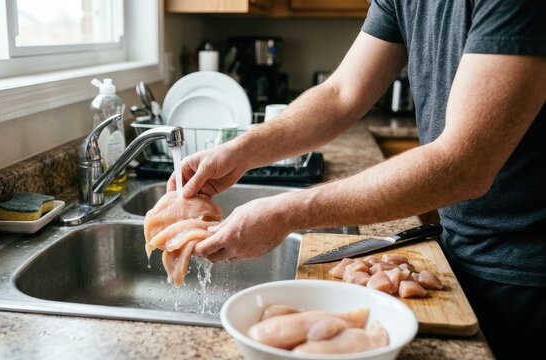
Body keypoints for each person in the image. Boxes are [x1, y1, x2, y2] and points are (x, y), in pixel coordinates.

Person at [168, 0, 544, 358]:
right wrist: (241, 150)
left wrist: (286, 213)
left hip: (528, 272)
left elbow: (464, 164)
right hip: (461, 245)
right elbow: (340, 93)